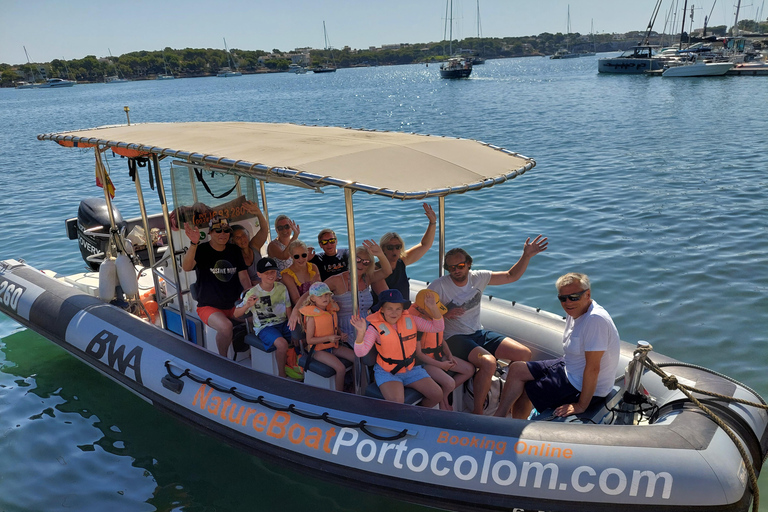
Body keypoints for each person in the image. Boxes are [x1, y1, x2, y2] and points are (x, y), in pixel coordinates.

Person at [428, 237, 548, 415]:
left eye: (460, 266)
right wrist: (444, 314)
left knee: (524, 354)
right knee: (488, 362)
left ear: (468, 264)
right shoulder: (439, 285)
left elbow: (510, 276)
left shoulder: (479, 277)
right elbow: (421, 311)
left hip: (478, 332)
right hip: (454, 338)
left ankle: (503, 405)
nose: (456, 271)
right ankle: (478, 412)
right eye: (451, 268)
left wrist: (526, 255)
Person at [494, 273, 620, 419]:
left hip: (581, 385)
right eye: (563, 298)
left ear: (588, 294)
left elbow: (593, 368)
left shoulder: (595, 320)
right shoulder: (575, 312)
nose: (568, 302)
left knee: (528, 391)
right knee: (516, 369)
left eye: (574, 297)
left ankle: (514, 429)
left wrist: (581, 405)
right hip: (569, 367)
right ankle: (499, 416)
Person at [351, 289, 443, 408]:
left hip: (411, 369)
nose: (394, 312)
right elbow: (360, 352)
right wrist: (361, 334)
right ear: (382, 309)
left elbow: (437, 327)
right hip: (387, 373)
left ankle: (418, 415)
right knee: (397, 403)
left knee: (437, 394)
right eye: (389, 308)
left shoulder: (412, 320)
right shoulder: (374, 328)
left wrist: (433, 308)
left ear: (403, 309)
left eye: (398, 308)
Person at [182, 215, 251, 357]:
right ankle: (223, 360)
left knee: (258, 317)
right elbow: (187, 267)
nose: (223, 234)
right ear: (210, 233)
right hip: (209, 306)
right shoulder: (201, 249)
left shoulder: (234, 250)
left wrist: (249, 294)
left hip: (234, 304)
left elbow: (243, 275)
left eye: (226, 231)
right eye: (218, 231)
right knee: (226, 327)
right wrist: (194, 243)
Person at [409, 289, 474, 411]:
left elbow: (441, 338)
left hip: (439, 355)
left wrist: (449, 355)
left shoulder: (436, 317)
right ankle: (439, 401)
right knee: (449, 383)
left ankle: (444, 396)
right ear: (422, 309)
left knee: (469, 370)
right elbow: (419, 354)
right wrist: (441, 365)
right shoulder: (417, 323)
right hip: (426, 362)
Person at [234, 258, 293, 378]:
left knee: (302, 337)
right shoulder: (252, 292)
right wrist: (247, 305)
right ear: (259, 274)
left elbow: (288, 309)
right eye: (267, 273)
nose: (271, 275)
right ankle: (282, 375)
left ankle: (296, 369)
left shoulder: (282, 287)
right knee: (282, 344)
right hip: (265, 327)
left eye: (273, 272)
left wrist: (294, 327)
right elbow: (236, 314)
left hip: (283, 323)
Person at [324, 240, 392, 343]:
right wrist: (296, 310)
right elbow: (313, 292)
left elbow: (387, 271)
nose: (361, 264)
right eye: (358, 260)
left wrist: (380, 254)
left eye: (366, 262)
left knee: (390, 342)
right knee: (368, 354)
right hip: (346, 332)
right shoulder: (337, 280)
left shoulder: (367, 278)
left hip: (368, 327)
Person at [371, 203, 437, 300]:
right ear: (383, 249)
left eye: (398, 247)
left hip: (402, 308)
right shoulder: (376, 270)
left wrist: (433, 222)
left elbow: (425, 245)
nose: (394, 250)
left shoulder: (401, 262)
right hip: (387, 312)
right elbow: (389, 299)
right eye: (390, 247)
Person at [299, 282, 355, 391]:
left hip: (333, 346)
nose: (325, 298)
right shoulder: (311, 317)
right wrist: (328, 338)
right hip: (318, 351)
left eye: (327, 295)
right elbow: (309, 340)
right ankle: (339, 394)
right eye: (320, 296)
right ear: (313, 299)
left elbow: (333, 325)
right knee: (340, 368)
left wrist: (340, 334)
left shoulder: (330, 310)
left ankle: (357, 388)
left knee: (356, 358)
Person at [230, 202, 269, 286]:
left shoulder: (254, 246)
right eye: (238, 237)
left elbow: (264, 229)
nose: (242, 239)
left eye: (244, 235)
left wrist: (259, 213)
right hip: (249, 290)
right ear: (232, 241)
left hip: (264, 285)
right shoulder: (234, 256)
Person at [281, 240, 321, 306]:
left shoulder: (313, 267)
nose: (301, 259)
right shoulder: (287, 275)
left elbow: (321, 291)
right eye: (296, 256)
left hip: (318, 304)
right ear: (291, 256)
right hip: (301, 308)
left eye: (304, 255)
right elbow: (296, 301)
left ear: (307, 253)